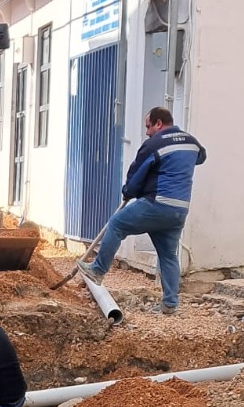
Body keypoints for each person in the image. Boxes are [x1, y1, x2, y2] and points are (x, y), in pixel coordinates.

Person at [78, 107, 206, 315]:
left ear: (158, 123)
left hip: (157, 204)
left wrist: (129, 192)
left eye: (148, 126)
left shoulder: (155, 143)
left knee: (117, 224)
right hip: (179, 210)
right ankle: (170, 304)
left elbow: (137, 173)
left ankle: (97, 270)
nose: (147, 132)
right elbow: (200, 158)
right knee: (168, 255)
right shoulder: (192, 142)